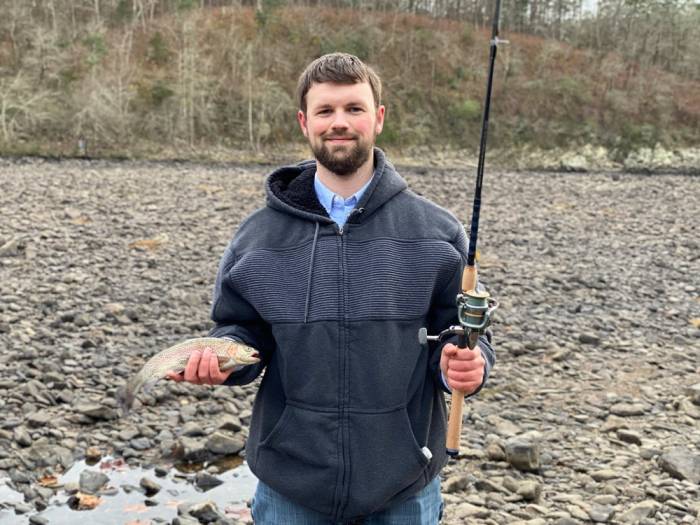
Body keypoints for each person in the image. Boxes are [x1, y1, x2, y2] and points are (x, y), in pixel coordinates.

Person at [167, 52, 495, 525]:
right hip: (290, 486)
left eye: (354, 109)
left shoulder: (436, 233)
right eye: (325, 111)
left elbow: (465, 336)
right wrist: (221, 361)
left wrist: (467, 367)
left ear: (378, 118)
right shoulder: (257, 237)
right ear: (305, 122)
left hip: (404, 484)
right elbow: (242, 332)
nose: (339, 123)